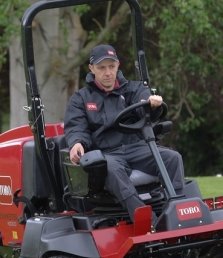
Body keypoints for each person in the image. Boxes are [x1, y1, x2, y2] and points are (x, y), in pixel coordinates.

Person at [64, 44, 185, 224]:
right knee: (111, 170)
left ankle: (177, 213)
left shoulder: (133, 90)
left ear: (118, 65)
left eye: (111, 67)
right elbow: (76, 127)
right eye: (102, 68)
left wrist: (151, 104)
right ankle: (147, 220)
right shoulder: (81, 98)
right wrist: (77, 143)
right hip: (106, 153)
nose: (108, 73)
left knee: (173, 158)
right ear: (92, 69)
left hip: (135, 147)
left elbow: (144, 104)